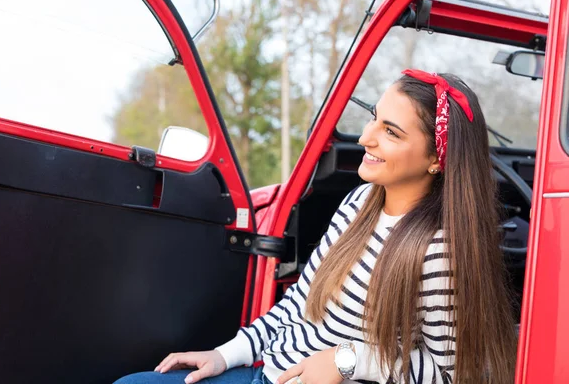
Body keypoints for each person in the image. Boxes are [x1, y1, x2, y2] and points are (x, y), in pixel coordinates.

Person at [114, 70, 517, 384]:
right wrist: (227, 353)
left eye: (391, 133)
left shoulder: (439, 251)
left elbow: (450, 374)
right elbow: (302, 303)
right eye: (374, 119)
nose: (365, 138)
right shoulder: (358, 203)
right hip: (267, 371)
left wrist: (347, 361)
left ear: (436, 159)